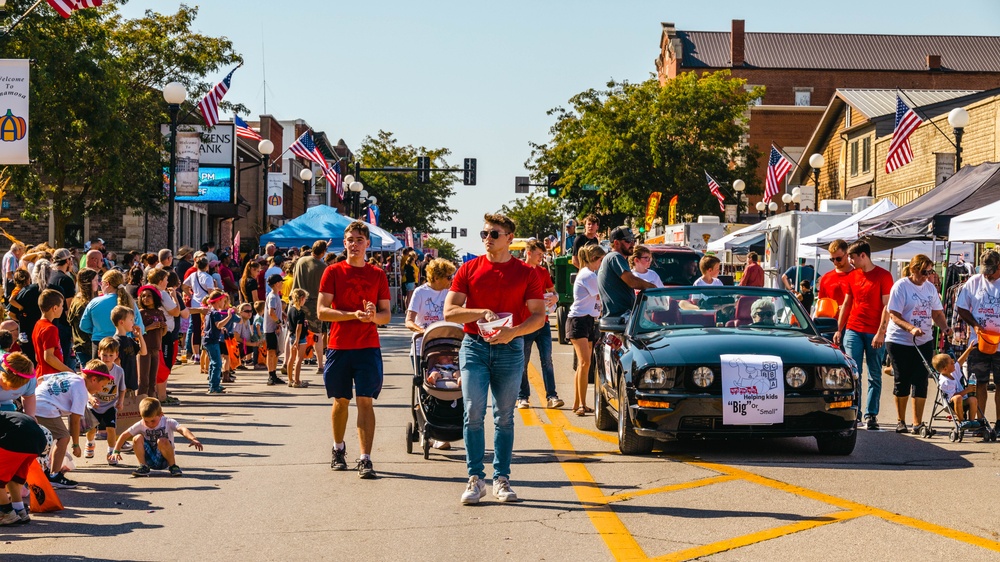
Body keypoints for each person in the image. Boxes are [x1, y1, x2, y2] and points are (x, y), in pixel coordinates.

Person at [444, 213, 545, 504]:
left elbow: (539, 317)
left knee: (504, 417)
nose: (488, 239)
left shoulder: (526, 273)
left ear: (510, 238)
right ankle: (475, 478)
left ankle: (502, 479)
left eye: (494, 234)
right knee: (473, 412)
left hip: (510, 349)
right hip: (474, 346)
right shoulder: (469, 268)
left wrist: (513, 333)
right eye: (484, 234)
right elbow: (449, 311)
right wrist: (480, 312)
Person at [317, 221, 391, 480]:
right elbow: (322, 311)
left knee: (365, 401)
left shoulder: (377, 274)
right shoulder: (333, 272)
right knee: (340, 401)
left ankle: (365, 458)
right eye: (350, 239)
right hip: (339, 345)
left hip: (368, 346)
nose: (355, 244)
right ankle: (338, 449)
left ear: (368, 243)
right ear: (344, 242)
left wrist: (372, 317)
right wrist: (352, 315)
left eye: (360, 239)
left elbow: (386, 315)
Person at [884, 254, 950, 434]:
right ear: (913, 270)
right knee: (902, 379)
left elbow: (936, 314)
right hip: (899, 340)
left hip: (924, 340)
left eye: (929, 272)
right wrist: (911, 328)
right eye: (923, 272)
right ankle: (900, 421)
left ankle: (917, 423)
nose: (926, 276)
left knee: (921, 380)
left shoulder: (930, 288)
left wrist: (945, 328)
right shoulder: (901, 286)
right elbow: (894, 315)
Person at [833, 241, 893, 431]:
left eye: (852, 257)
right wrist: (839, 328)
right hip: (853, 329)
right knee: (854, 373)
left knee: (875, 374)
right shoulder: (852, 276)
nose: (849, 261)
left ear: (863, 256)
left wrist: (881, 332)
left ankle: (871, 415)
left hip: (875, 332)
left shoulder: (883, 276)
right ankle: (854, 413)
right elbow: (847, 302)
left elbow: (887, 306)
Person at [405, 257, 457, 449]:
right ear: (436, 277)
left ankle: (445, 428)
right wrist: (422, 331)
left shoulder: (451, 293)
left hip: (448, 348)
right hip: (422, 349)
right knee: (426, 388)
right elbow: (409, 320)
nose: (451, 279)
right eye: (448, 276)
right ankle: (427, 428)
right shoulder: (420, 293)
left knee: (448, 387)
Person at [34, 361, 113, 489]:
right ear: (94, 379)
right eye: (102, 386)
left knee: (49, 438)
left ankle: (48, 471)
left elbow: (41, 379)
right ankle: (54, 476)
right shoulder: (81, 391)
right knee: (64, 437)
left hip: (35, 402)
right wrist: (76, 445)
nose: (100, 390)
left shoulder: (71, 375)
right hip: (45, 408)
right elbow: (75, 420)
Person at [513, 241, 561, 410]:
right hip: (525, 324)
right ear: (529, 252)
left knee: (547, 360)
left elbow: (552, 291)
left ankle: (552, 396)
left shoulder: (542, 271)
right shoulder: (517, 270)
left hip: (543, 323)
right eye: (539, 254)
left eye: (542, 254)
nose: (542, 258)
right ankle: (522, 396)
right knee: (522, 362)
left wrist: (555, 297)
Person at [955, 249, 1000, 428]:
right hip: (978, 343)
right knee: (979, 383)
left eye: (991, 271)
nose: (987, 275)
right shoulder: (974, 282)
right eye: (985, 272)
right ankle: (981, 420)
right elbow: (961, 307)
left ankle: (999, 422)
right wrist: (974, 325)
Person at [113, 397, 203, 477]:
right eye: (146, 421)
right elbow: (124, 435)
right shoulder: (140, 424)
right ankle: (143, 466)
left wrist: (193, 439)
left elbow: (182, 429)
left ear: (161, 414)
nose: (149, 424)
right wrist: (116, 451)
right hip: (149, 457)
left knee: (162, 440)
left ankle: (173, 466)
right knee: (137, 438)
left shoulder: (168, 421)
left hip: (165, 459)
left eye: (152, 421)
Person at [567, 245, 605, 416]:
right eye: (601, 260)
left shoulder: (590, 274)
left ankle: (577, 402)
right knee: (584, 363)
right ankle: (582, 404)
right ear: (595, 259)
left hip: (588, 319)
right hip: (578, 320)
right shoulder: (588, 275)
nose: (601, 264)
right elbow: (601, 294)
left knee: (584, 365)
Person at [79, 269, 146, 360]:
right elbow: (139, 328)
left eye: (101, 283)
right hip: (124, 344)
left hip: (100, 345)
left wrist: (98, 330)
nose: (100, 286)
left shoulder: (95, 302)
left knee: (101, 373)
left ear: (107, 284)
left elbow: (84, 326)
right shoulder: (130, 302)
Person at [0, 410, 47, 526]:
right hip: (38, 440)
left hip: (17, 437)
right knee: (14, 477)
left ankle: (7, 514)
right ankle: (19, 510)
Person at [597, 226, 655, 318]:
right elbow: (632, 281)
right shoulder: (615, 257)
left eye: (633, 240)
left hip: (622, 316)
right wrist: (653, 287)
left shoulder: (615, 258)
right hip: (620, 317)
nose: (632, 243)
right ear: (616, 243)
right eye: (628, 240)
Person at [84, 337, 125, 465]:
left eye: (110, 355)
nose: (107, 358)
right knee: (91, 429)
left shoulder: (118, 371)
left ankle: (111, 452)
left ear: (116, 355)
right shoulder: (93, 368)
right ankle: (90, 442)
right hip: (94, 404)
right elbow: (83, 386)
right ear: (99, 353)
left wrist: (121, 401)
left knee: (111, 429)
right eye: (104, 355)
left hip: (110, 405)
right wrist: (90, 397)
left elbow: (122, 388)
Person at [292, 240, 329, 374]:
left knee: (293, 332)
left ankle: (288, 363)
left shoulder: (300, 261)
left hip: (296, 301)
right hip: (313, 302)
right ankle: (320, 365)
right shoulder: (323, 267)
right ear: (324, 252)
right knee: (317, 333)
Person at [932, 352, 980, 429]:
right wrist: (967, 390)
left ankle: (971, 421)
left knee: (973, 399)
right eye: (951, 363)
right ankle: (961, 421)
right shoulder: (945, 381)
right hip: (951, 404)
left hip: (962, 400)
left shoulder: (952, 373)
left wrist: (969, 349)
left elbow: (959, 362)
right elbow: (953, 396)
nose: (954, 363)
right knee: (958, 397)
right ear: (945, 369)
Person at [48, 248, 76, 368]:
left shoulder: (49, 275)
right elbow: (69, 308)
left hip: (50, 321)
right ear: (68, 261)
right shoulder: (66, 279)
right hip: (64, 325)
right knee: (63, 358)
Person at [33, 289, 72, 377]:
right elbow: (49, 357)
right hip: (50, 376)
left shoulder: (38, 324)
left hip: (41, 373)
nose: (62, 309)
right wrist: (69, 371)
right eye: (62, 306)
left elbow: (37, 355)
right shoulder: (50, 328)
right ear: (54, 308)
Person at [137, 285, 166, 398]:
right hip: (144, 349)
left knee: (152, 380)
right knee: (144, 379)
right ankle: (141, 403)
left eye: (149, 296)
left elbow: (162, 334)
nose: (146, 298)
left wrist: (164, 327)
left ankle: (152, 404)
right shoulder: (141, 313)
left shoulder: (159, 313)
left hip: (156, 348)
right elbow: (138, 331)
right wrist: (149, 327)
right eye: (143, 296)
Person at [202, 289, 233, 394]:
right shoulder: (216, 313)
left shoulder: (209, 311)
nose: (224, 303)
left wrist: (220, 329)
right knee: (217, 363)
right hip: (212, 340)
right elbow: (218, 324)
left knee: (213, 363)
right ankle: (214, 387)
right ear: (218, 301)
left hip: (207, 339)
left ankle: (212, 384)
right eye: (223, 301)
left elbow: (214, 326)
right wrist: (229, 317)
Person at [68, 268, 99, 369]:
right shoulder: (82, 304)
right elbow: (84, 327)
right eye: (95, 280)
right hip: (86, 346)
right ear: (88, 282)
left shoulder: (80, 298)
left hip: (84, 346)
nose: (97, 283)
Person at [111, 305, 146, 393]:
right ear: (121, 322)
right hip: (122, 386)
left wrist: (140, 336)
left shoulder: (129, 340)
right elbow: (117, 365)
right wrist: (121, 385)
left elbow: (143, 352)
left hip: (131, 384)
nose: (133, 323)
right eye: (131, 320)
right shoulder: (116, 342)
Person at [818, 239, 854, 311]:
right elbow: (821, 304)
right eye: (832, 259)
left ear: (847, 255)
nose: (835, 262)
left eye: (838, 259)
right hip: (831, 321)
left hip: (852, 321)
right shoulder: (826, 278)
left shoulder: (858, 275)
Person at [263, 274, 286, 386]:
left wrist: (282, 314)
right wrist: (278, 322)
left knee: (276, 352)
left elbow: (275, 311)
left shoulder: (276, 296)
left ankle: (274, 374)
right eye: (281, 282)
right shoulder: (272, 296)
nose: (282, 284)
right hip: (270, 329)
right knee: (271, 352)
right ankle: (271, 375)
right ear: (277, 283)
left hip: (275, 328)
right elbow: (271, 312)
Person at [0, 349, 35, 417]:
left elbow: (29, 397)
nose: (8, 389)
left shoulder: (30, 380)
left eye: (14, 388)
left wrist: (31, 417)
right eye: (5, 384)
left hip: (7, 405)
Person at [286, 288, 310, 388]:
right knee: (299, 359)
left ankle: (290, 379)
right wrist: (297, 339)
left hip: (291, 336)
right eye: (305, 299)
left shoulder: (291, 310)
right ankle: (297, 381)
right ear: (301, 298)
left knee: (291, 358)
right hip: (299, 338)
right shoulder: (300, 312)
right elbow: (299, 327)